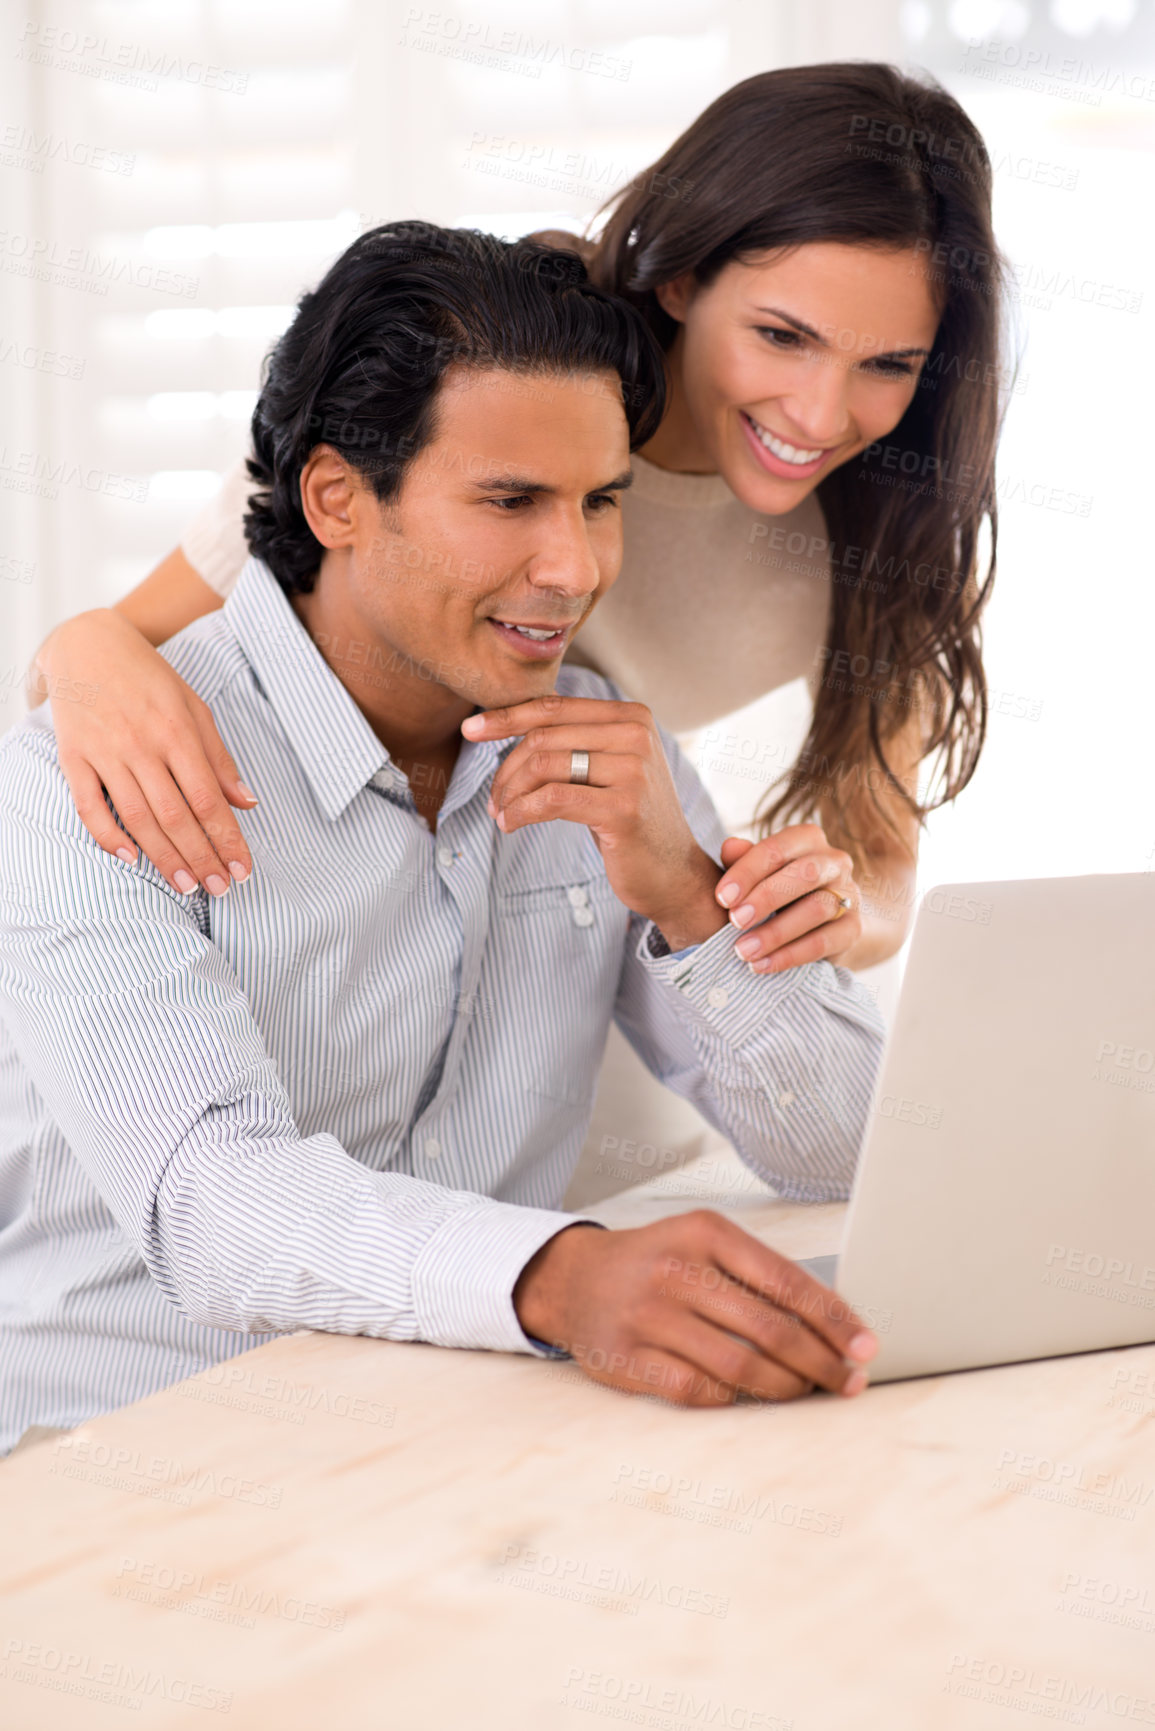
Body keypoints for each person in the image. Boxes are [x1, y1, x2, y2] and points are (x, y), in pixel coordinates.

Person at [0, 224, 885, 1455]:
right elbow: (213, 1204)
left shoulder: (610, 757)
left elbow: (843, 1150)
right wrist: (561, 1276)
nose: (574, 566)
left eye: (601, 502)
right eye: (511, 502)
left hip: (451, 1450)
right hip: (114, 1468)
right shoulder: (87, 777)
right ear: (337, 499)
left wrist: (689, 894)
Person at [33, 62, 1006, 982]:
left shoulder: (893, 530)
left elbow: (884, 874)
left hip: (590, 978)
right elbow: (98, 660)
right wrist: (83, 647)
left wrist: (825, 910)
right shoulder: (495, 368)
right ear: (680, 276)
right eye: (781, 337)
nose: (820, 414)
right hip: (342, 963)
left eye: (889, 364)